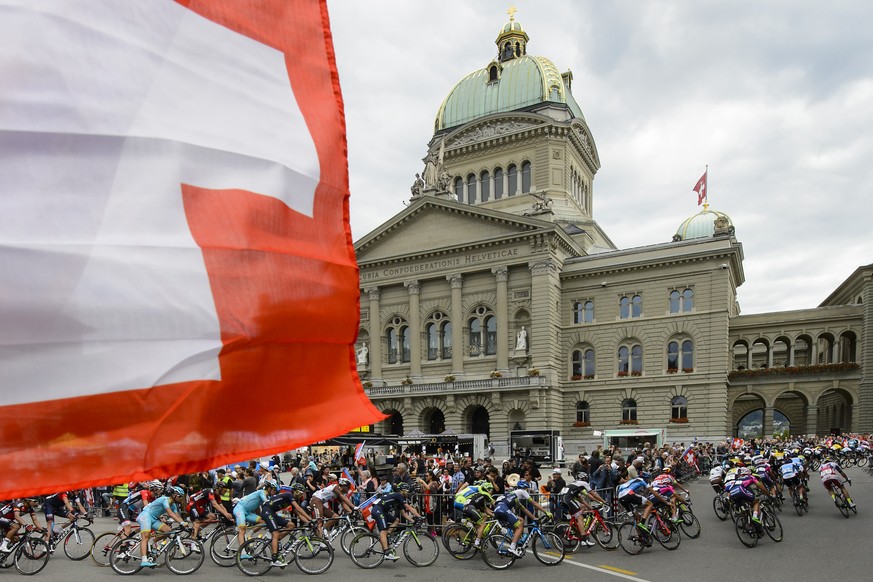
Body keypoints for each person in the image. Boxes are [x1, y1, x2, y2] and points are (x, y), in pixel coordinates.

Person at [492, 480, 551, 557]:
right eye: (527, 489)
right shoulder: (522, 491)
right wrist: (546, 512)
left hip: (499, 509)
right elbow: (534, 503)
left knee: (521, 520)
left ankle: (517, 541)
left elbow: (524, 510)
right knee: (519, 526)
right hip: (503, 509)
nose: (528, 491)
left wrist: (534, 518)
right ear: (525, 488)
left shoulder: (513, 496)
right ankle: (512, 548)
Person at [369, 481, 423, 561]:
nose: (408, 493)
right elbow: (409, 507)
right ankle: (387, 553)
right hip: (378, 510)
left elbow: (404, 514)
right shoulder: (398, 495)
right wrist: (420, 517)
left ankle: (386, 536)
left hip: (381, 511)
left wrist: (412, 521)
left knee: (396, 520)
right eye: (407, 491)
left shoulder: (397, 499)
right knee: (383, 531)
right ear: (402, 490)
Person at [260, 484, 311, 567]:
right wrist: (311, 519)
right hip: (267, 511)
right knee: (275, 533)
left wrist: (309, 522)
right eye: (302, 493)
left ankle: (277, 539)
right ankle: (274, 559)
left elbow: (299, 514)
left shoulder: (292, 499)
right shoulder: (289, 495)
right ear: (297, 492)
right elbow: (299, 509)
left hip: (272, 513)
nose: (302, 495)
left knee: (291, 525)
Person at [137, 485, 188, 568]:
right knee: (145, 537)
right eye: (179, 496)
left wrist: (184, 523)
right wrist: (181, 523)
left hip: (153, 518)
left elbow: (177, 516)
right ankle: (144, 560)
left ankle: (151, 543)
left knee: (168, 530)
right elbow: (170, 513)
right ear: (174, 495)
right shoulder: (165, 499)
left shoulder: (173, 505)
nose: (180, 498)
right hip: (145, 516)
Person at [234, 480, 277, 558]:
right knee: (242, 530)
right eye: (274, 490)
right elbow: (266, 502)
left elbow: (268, 508)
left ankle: (249, 535)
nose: (275, 492)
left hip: (247, 512)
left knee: (263, 521)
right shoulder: (262, 492)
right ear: (269, 488)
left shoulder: (268, 496)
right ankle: (242, 553)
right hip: (240, 509)